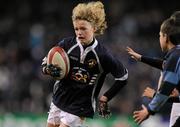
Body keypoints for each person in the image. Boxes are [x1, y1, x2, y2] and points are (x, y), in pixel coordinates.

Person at [42, 1, 128, 127]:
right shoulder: (66, 45)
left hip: (81, 106)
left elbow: (123, 77)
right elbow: (45, 64)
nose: (79, 32)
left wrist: (105, 97)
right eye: (76, 28)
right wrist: (48, 70)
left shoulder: (102, 55)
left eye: (83, 28)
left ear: (93, 28)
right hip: (59, 98)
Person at [128, 12, 180, 126]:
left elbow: (167, 86)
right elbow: (165, 64)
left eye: (160, 35)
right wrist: (141, 58)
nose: (159, 39)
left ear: (166, 36)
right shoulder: (176, 54)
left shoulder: (175, 56)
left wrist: (149, 110)